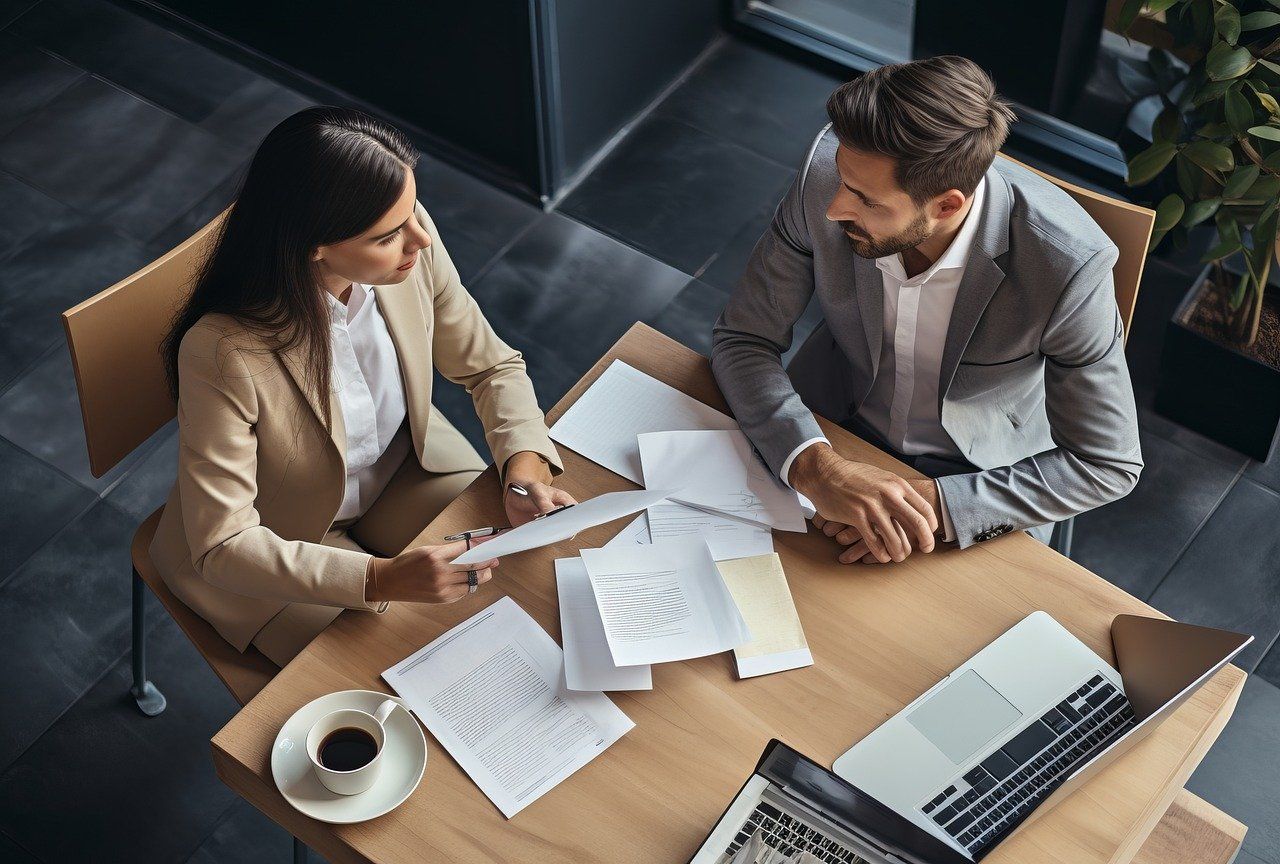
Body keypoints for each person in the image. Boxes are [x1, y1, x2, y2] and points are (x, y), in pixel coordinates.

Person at [150, 107, 573, 666]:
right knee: (405, 669)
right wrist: (379, 577)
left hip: (404, 468)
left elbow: (489, 366)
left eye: (413, 211)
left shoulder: (410, 241)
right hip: (278, 542)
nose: (420, 238)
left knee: (526, 593)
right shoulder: (221, 353)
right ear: (314, 245)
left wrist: (524, 466)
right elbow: (224, 543)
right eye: (389, 235)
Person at [711, 56, 1142, 566]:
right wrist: (815, 466)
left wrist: (927, 510)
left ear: (947, 205)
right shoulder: (825, 178)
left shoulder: (1069, 267)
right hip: (825, 426)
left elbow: (1106, 464)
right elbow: (742, 339)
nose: (834, 209)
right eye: (844, 182)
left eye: (866, 200)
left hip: (973, 481)